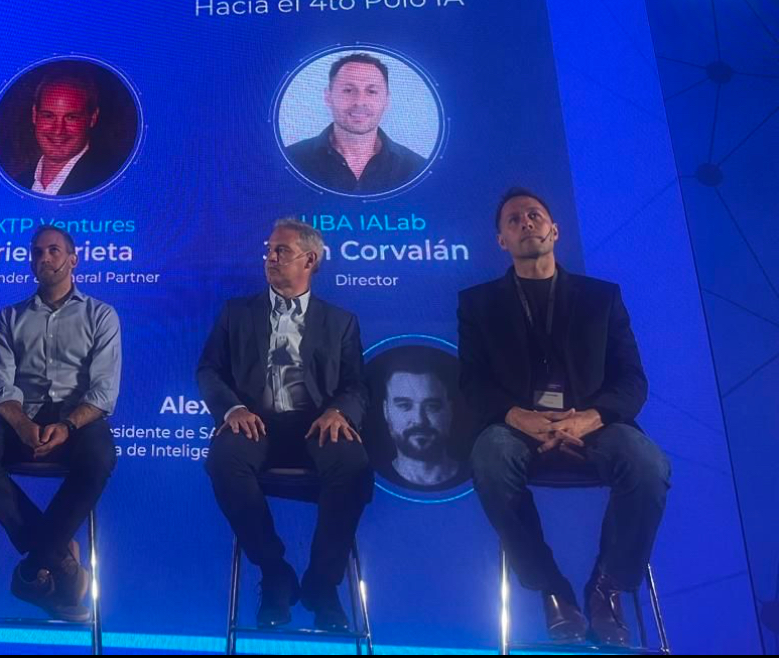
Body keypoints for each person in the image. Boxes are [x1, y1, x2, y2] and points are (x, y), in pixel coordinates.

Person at [459, 187, 671, 647]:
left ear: (554, 230)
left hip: (594, 424)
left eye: (535, 215)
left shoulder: (602, 298)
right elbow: (472, 385)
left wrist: (589, 419)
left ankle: (607, 586)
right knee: (489, 459)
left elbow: (632, 381)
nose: (526, 222)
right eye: (514, 219)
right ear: (501, 240)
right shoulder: (478, 304)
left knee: (648, 465)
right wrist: (518, 417)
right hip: (516, 428)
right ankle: (551, 586)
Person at [197, 218, 372, 630]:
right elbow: (209, 371)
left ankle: (322, 584)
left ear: (310, 260)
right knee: (223, 460)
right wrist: (232, 409)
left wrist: (339, 412)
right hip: (255, 423)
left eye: (282, 251)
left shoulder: (341, 321)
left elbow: (357, 386)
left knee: (354, 465)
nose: (270, 258)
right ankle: (275, 572)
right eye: (269, 250)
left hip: (316, 426)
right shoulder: (236, 313)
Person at [0, 225, 120, 622]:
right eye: (38, 252)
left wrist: (68, 426)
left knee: (100, 457)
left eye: (54, 251)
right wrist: (23, 425)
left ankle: (35, 567)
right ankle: (58, 555)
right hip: (22, 417)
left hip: (77, 419)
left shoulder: (101, 315)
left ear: (73, 260)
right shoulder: (9, 316)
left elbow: (104, 390)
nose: (44, 258)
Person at [285, 53, 426, 194]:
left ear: (386, 100)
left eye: (372, 91)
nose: (359, 101)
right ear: (328, 97)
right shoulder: (290, 160)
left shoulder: (416, 169)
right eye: (348, 90)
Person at [13, 68, 119, 196]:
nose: (58, 130)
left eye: (71, 117)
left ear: (92, 118)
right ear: (34, 115)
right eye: (48, 116)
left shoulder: (110, 184)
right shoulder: (17, 183)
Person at [380, 350, 462, 488]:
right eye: (404, 406)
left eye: (432, 407)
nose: (419, 420)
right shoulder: (371, 482)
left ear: (450, 410)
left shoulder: (477, 479)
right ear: (386, 411)